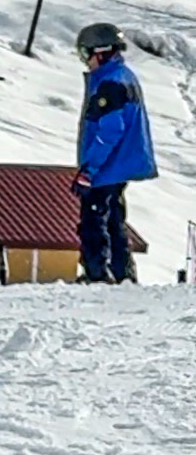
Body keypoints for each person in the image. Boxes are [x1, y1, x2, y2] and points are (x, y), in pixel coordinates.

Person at [74, 21, 155, 283]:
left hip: (108, 166)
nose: (85, 61)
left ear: (101, 52)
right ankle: (122, 273)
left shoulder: (110, 83)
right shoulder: (124, 76)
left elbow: (110, 131)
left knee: (94, 220)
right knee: (114, 219)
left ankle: (98, 273)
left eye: (86, 54)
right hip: (119, 166)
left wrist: (89, 169)